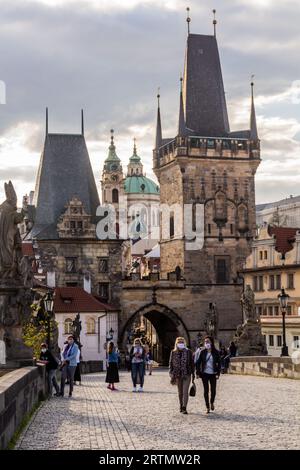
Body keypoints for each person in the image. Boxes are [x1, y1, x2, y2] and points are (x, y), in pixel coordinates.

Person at [169, 337, 194, 415]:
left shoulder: (188, 352)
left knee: (185, 391)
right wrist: (170, 372)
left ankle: (184, 407)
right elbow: (170, 363)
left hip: (187, 374)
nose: (180, 343)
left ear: (184, 343)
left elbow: (192, 363)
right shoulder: (173, 352)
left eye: (182, 342)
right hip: (177, 374)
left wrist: (193, 374)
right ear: (176, 343)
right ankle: (180, 405)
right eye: (179, 342)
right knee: (180, 392)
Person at [196, 335, 221, 414]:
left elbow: (219, 363)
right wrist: (197, 372)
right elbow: (198, 363)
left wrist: (218, 373)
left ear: (211, 342)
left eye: (208, 341)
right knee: (206, 390)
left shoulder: (216, 352)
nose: (206, 343)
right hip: (204, 374)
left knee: (213, 390)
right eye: (205, 342)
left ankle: (212, 402)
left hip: (213, 373)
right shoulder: (202, 352)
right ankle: (207, 407)